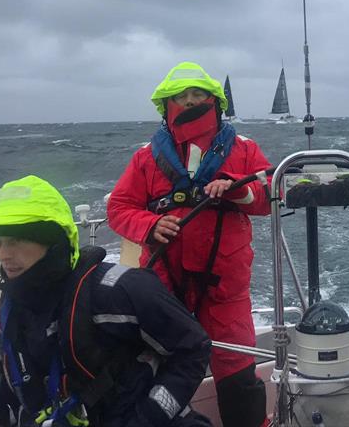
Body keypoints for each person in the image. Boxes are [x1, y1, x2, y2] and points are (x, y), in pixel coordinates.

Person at [108, 62, 273, 427]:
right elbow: (118, 208)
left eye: (197, 95)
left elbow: (271, 196)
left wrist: (240, 190)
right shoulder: (146, 157)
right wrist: (150, 224)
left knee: (237, 371)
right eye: (180, 98)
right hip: (165, 287)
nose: (189, 103)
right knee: (160, 372)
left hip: (225, 289)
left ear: (216, 101)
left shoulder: (244, 150)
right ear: (166, 107)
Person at [0, 175, 212, 427]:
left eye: (14, 241)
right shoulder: (5, 320)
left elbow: (193, 348)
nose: (2, 254)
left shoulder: (121, 290)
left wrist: (148, 418)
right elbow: (13, 392)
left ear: (52, 239)